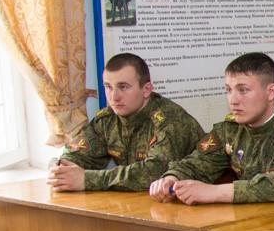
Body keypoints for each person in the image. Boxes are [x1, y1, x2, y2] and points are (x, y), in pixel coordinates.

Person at [149, 53, 274, 204]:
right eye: (229, 90)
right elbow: (197, 163)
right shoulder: (230, 129)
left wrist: (215, 192)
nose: (233, 100)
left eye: (243, 90)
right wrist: (172, 178)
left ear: (271, 92)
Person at [50, 53, 203, 192]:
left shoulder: (170, 122)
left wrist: (86, 180)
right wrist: (60, 169)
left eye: (123, 87)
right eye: (108, 87)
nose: (114, 97)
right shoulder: (107, 119)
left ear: (146, 90)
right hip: (140, 200)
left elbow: (154, 172)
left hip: (189, 200)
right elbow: (77, 155)